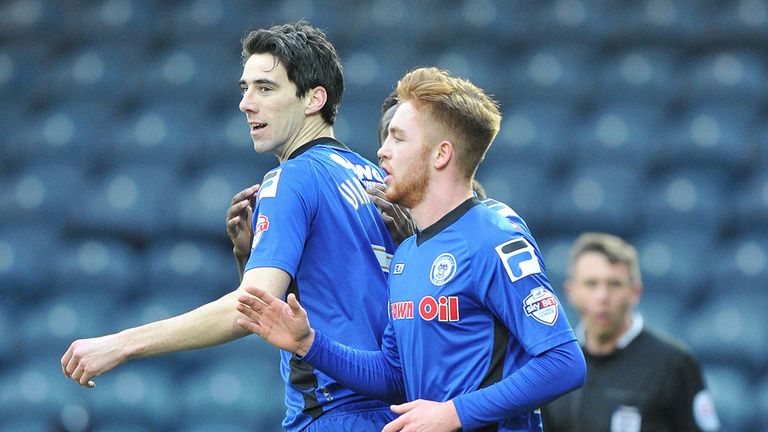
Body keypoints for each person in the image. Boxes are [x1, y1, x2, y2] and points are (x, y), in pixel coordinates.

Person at [61, 21, 400, 431]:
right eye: (245, 88)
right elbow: (325, 299)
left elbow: (250, 308)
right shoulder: (373, 176)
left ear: (314, 99)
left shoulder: (290, 178)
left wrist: (121, 344)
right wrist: (250, 256)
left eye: (266, 88)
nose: (246, 103)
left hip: (333, 414)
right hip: (396, 411)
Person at [236, 67, 586, 432]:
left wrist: (455, 413)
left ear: (441, 155)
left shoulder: (494, 235)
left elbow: (563, 362)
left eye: (398, 139)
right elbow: (393, 377)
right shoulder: (407, 255)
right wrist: (309, 343)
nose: (381, 152)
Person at [541, 233, 721, 432]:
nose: (603, 296)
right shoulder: (555, 365)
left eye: (614, 284)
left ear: (635, 293)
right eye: (591, 284)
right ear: (571, 292)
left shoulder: (674, 364)